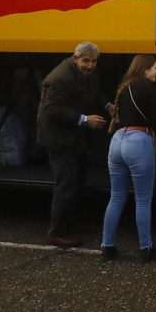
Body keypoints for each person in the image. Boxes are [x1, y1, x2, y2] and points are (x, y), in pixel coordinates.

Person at [101, 54, 156, 263]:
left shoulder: (123, 89)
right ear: (145, 70)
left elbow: (137, 116)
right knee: (143, 199)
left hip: (117, 141)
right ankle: (146, 248)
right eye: (154, 68)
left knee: (116, 196)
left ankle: (107, 246)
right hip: (138, 142)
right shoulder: (150, 90)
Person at [37, 42, 108, 247]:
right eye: (86, 61)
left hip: (74, 135)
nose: (90, 65)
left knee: (77, 181)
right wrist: (85, 119)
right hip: (58, 137)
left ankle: (68, 223)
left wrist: (108, 105)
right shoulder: (60, 77)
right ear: (75, 58)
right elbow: (52, 108)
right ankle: (57, 232)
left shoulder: (87, 73)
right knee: (66, 183)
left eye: (94, 61)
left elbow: (95, 93)